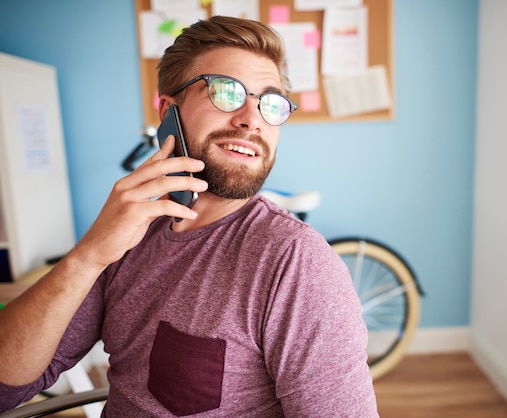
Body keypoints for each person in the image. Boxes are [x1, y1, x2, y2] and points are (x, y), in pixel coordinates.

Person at [0, 16, 378, 417]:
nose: (252, 119)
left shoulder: (294, 261)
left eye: (269, 103)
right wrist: (88, 255)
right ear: (168, 110)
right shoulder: (129, 231)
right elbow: (7, 385)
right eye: (226, 92)